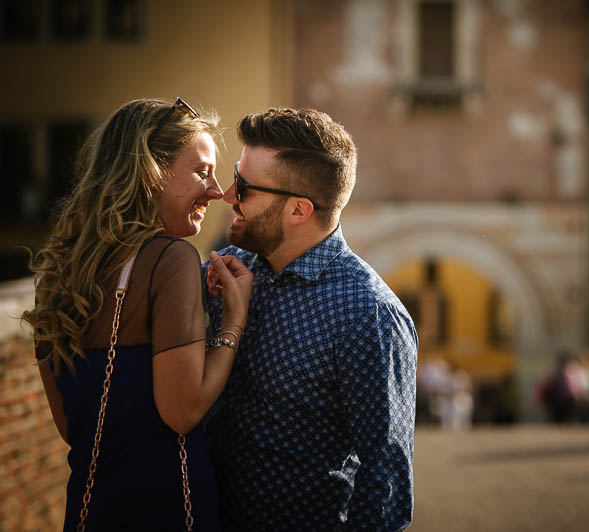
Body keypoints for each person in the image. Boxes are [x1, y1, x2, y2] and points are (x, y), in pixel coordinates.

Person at [21, 98, 253, 531]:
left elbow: (71, 427)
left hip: (90, 511)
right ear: (149, 170)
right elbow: (182, 413)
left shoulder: (54, 274)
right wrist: (233, 323)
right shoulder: (171, 259)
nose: (217, 191)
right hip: (170, 508)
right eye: (202, 171)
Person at [203, 108, 418, 531]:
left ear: (299, 211)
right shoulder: (228, 270)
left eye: (244, 187)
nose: (228, 194)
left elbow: (385, 481)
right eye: (234, 175)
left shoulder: (368, 313)